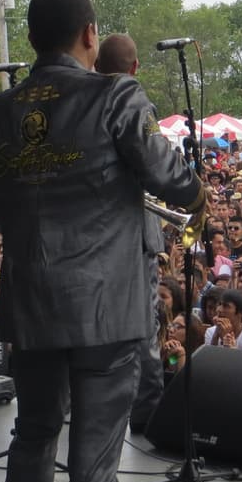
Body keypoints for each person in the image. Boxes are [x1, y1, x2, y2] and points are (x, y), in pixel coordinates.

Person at [0, 0, 204, 482]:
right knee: (95, 468)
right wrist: (193, 183)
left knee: (32, 441)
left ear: (31, 40)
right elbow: (171, 180)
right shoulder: (116, 95)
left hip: (31, 307)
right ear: (90, 35)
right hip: (107, 312)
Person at [94, 32, 164, 434]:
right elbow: (156, 168)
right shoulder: (131, 101)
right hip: (135, 237)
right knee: (143, 331)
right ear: (134, 69)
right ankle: (146, 415)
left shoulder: (79, 106)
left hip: (98, 240)